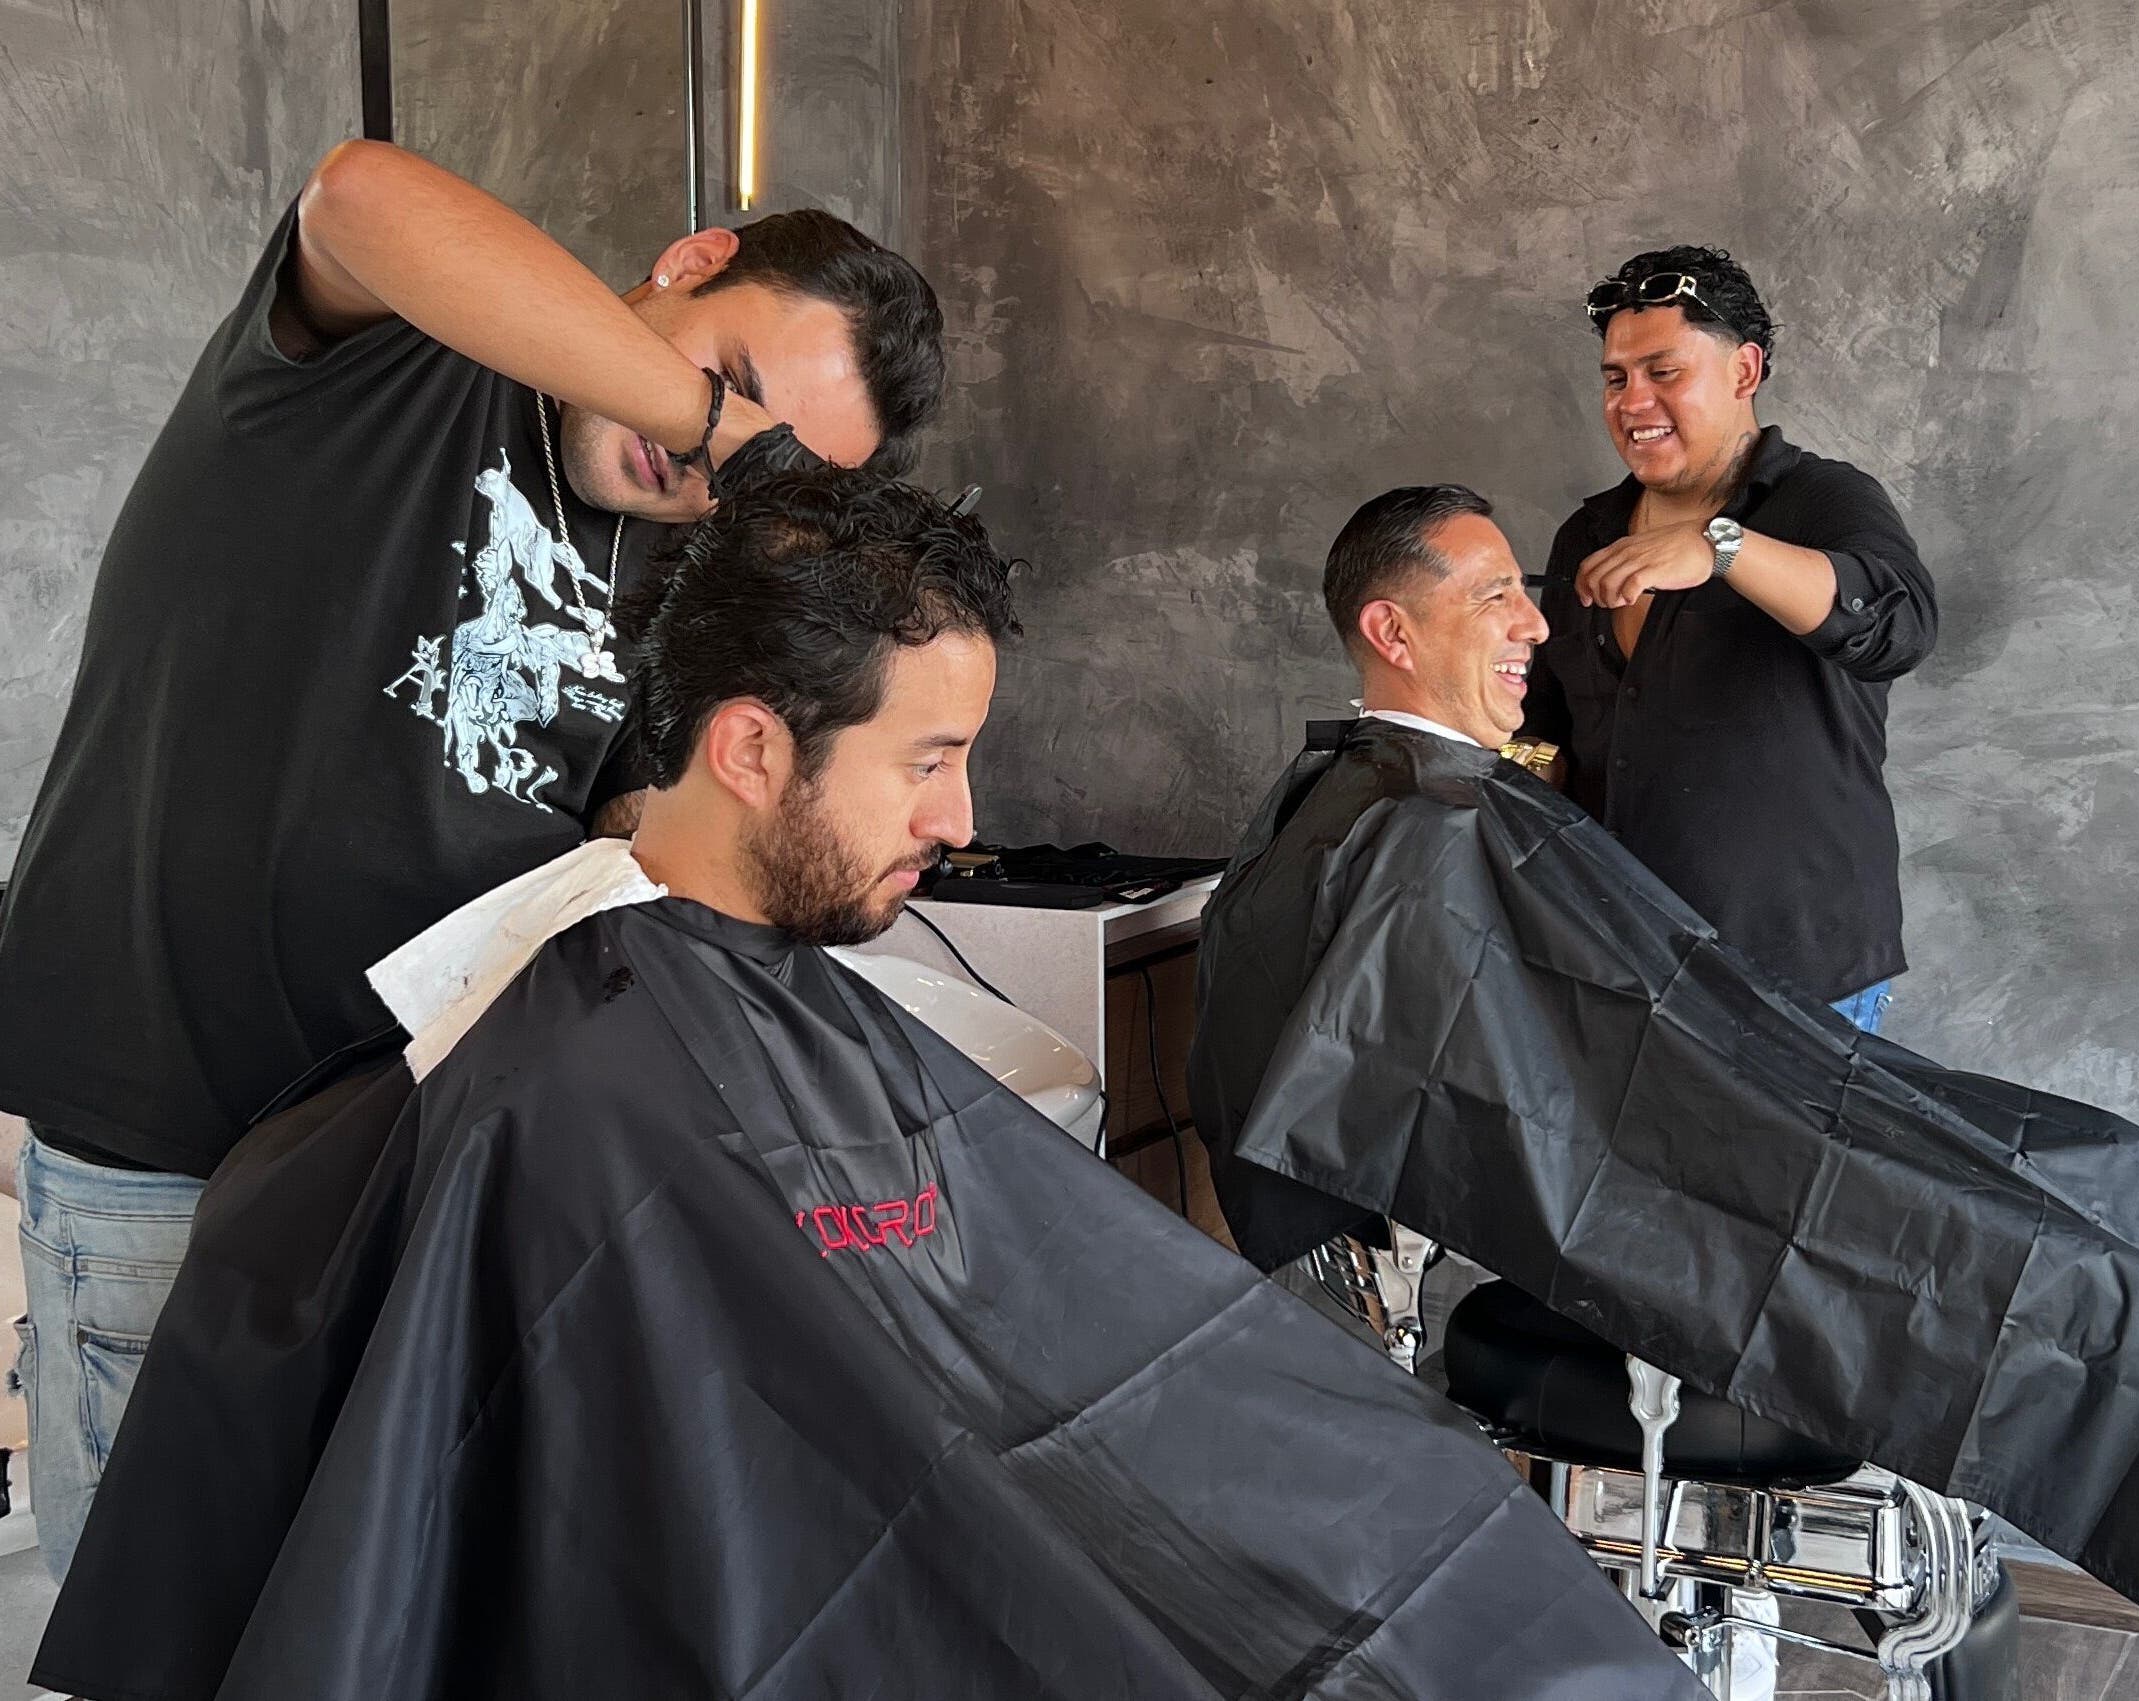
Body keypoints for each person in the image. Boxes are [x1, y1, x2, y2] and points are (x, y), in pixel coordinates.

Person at [33, 463, 1699, 1701]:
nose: (962, 818)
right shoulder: (582, 1077)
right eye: (925, 759)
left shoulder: (714, 1002)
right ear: (754, 746)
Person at [1190, 485, 2139, 1697]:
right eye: (1495, 596)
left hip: (1726, 1158)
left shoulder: (1388, 801)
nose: (1534, 627)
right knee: (2073, 1276)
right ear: (1394, 633)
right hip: (1676, 1238)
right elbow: (1537, 1125)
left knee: (2100, 1171)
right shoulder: (1416, 834)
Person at [0, 138, 944, 1577]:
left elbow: (609, 834)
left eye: (760, 465)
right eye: (736, 377)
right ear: (692, 263)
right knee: (169, 1630)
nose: (703, 462)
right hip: (167, 1153)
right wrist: (731, 435)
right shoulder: (402, 364)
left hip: (412, 1178)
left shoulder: (673, 577)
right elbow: (359, 195)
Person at [1520, 245, 1937, 1033]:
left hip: (1799, 982)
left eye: (1663, 371)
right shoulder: (1587, 534)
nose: (1632, 400)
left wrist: (1722, 547)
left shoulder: (1823, 499)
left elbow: (1903, 626)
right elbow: (1545, 724)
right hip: (1625, 969)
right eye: (1616, 378)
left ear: (1745, 371)